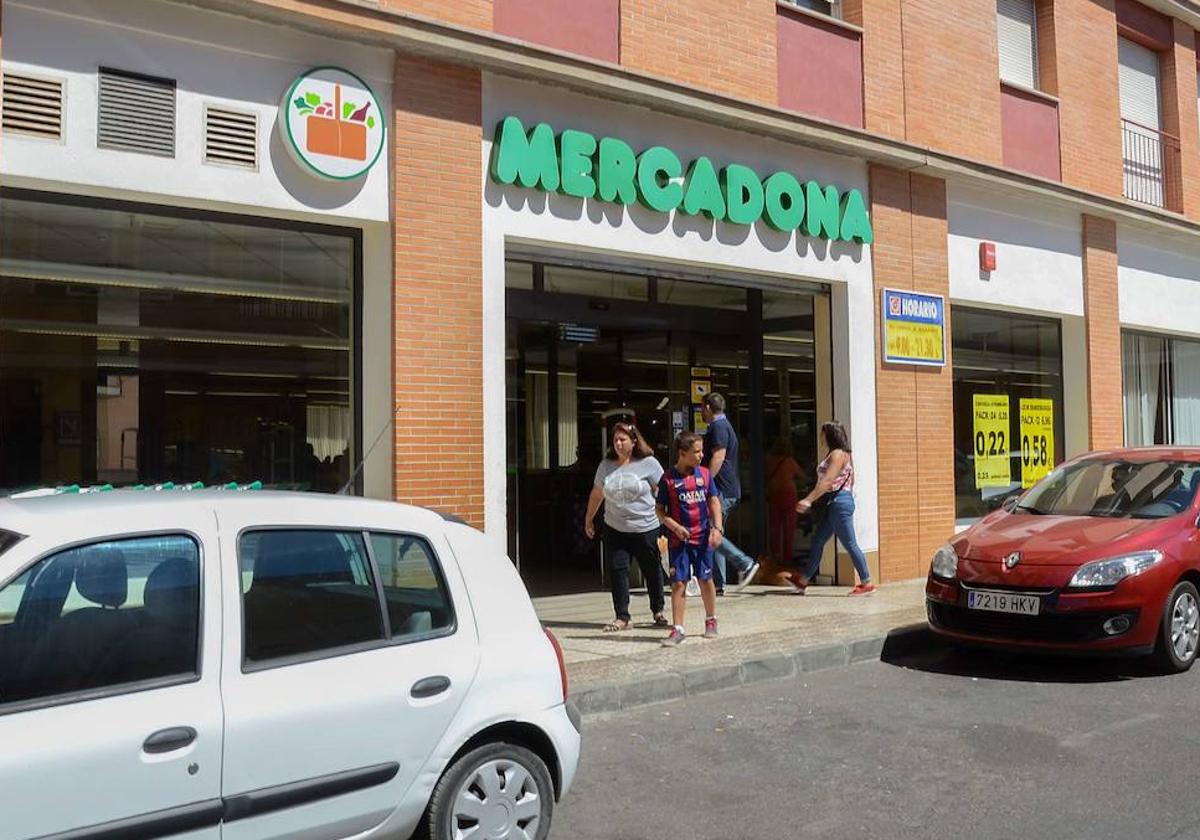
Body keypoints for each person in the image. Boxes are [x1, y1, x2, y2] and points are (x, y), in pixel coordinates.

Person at [584, 422, 669, 631]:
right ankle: (622, 616)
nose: (618, 444)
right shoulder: (606, 465)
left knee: (652, 568)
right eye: (615, 440)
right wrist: (589, 519)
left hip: (646, 527)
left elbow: (665, 491)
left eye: (623, 440)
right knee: (618, 569)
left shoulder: (649, 463)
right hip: (615, 528)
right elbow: (597, 494)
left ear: (633, 442)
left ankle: (658, 609)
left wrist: (670, 519)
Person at [790, 421, 876, 597]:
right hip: (836, 502)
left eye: (822, 433)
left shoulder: (837, 455)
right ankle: (804, 580)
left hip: (839, 503)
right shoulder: (841, 454)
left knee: (850, 543)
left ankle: (867, 582)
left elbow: (827, 481)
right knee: (818, 540)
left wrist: (808, 500)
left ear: (828, 434)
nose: (820, 437)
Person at [656, 431, 724, 647]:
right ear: (682, 454)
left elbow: (714, 502)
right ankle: (678, 629)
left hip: (703, 537)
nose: (701, 455)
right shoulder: (667, 479)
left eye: (702, 450)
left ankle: (711, 619)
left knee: (706, 579)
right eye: (696, 452)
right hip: (679, 541)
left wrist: (718, 528)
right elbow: (659, 510)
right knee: (678, 583)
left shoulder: (704, 475)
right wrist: (674, 527)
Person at [700, 392, 760, 594]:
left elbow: (718, 456)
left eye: (702, 408)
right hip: (727, 488)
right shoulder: (724, 425)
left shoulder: (718, 427)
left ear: (708, 407)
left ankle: (745, 563)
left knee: (712, 532)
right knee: (715, 533)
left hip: (722, 489)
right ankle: (719, 583)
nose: (701, 411)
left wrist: (705, 480)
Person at [765, 436, 804, 566]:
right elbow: (802, 476)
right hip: (789, 495)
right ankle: (787, 558)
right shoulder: (790, 461)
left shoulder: (769, 460)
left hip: (774, 494)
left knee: (774, 527)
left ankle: (775, 556)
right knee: (789, 528)